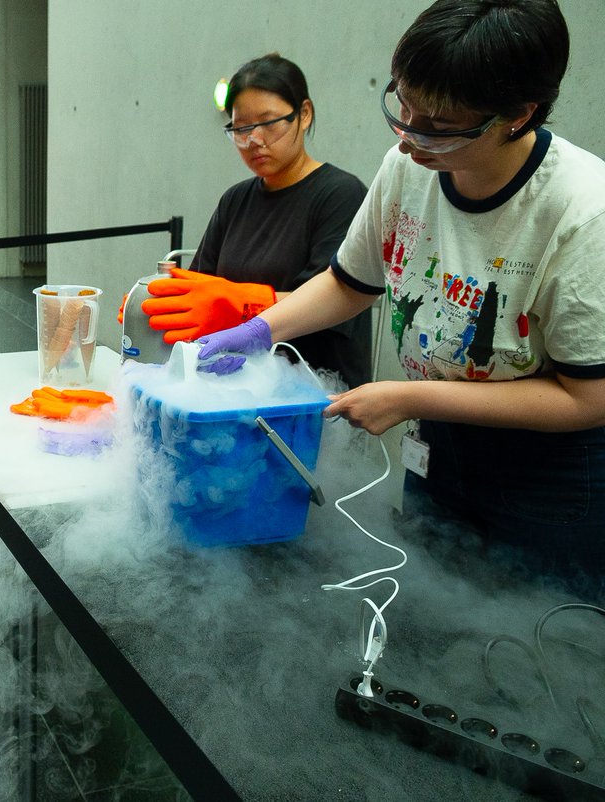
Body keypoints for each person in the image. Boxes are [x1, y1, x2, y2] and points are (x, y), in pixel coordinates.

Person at [196, 0, 605, 583]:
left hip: (548, 481)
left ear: (519, 113)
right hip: (437, 453)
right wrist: (263, 328)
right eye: (403, 107)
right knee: (433, 635)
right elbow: (347, 282)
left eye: (438, 127)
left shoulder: (582, 212)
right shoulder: (408, 168)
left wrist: (408, 398)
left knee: (532, 649)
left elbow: (589, 399)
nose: (409, 138)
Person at [144, 54, 371, 388]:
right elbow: (197, 288)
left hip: (313, 388)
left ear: (303, 115)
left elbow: (332, 301)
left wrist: (238, 305)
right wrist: (153, 301)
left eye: (268, 123)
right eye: (241, 128)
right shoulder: (235, 200)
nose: (254, 140)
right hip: (235, 384)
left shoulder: (340, 195)